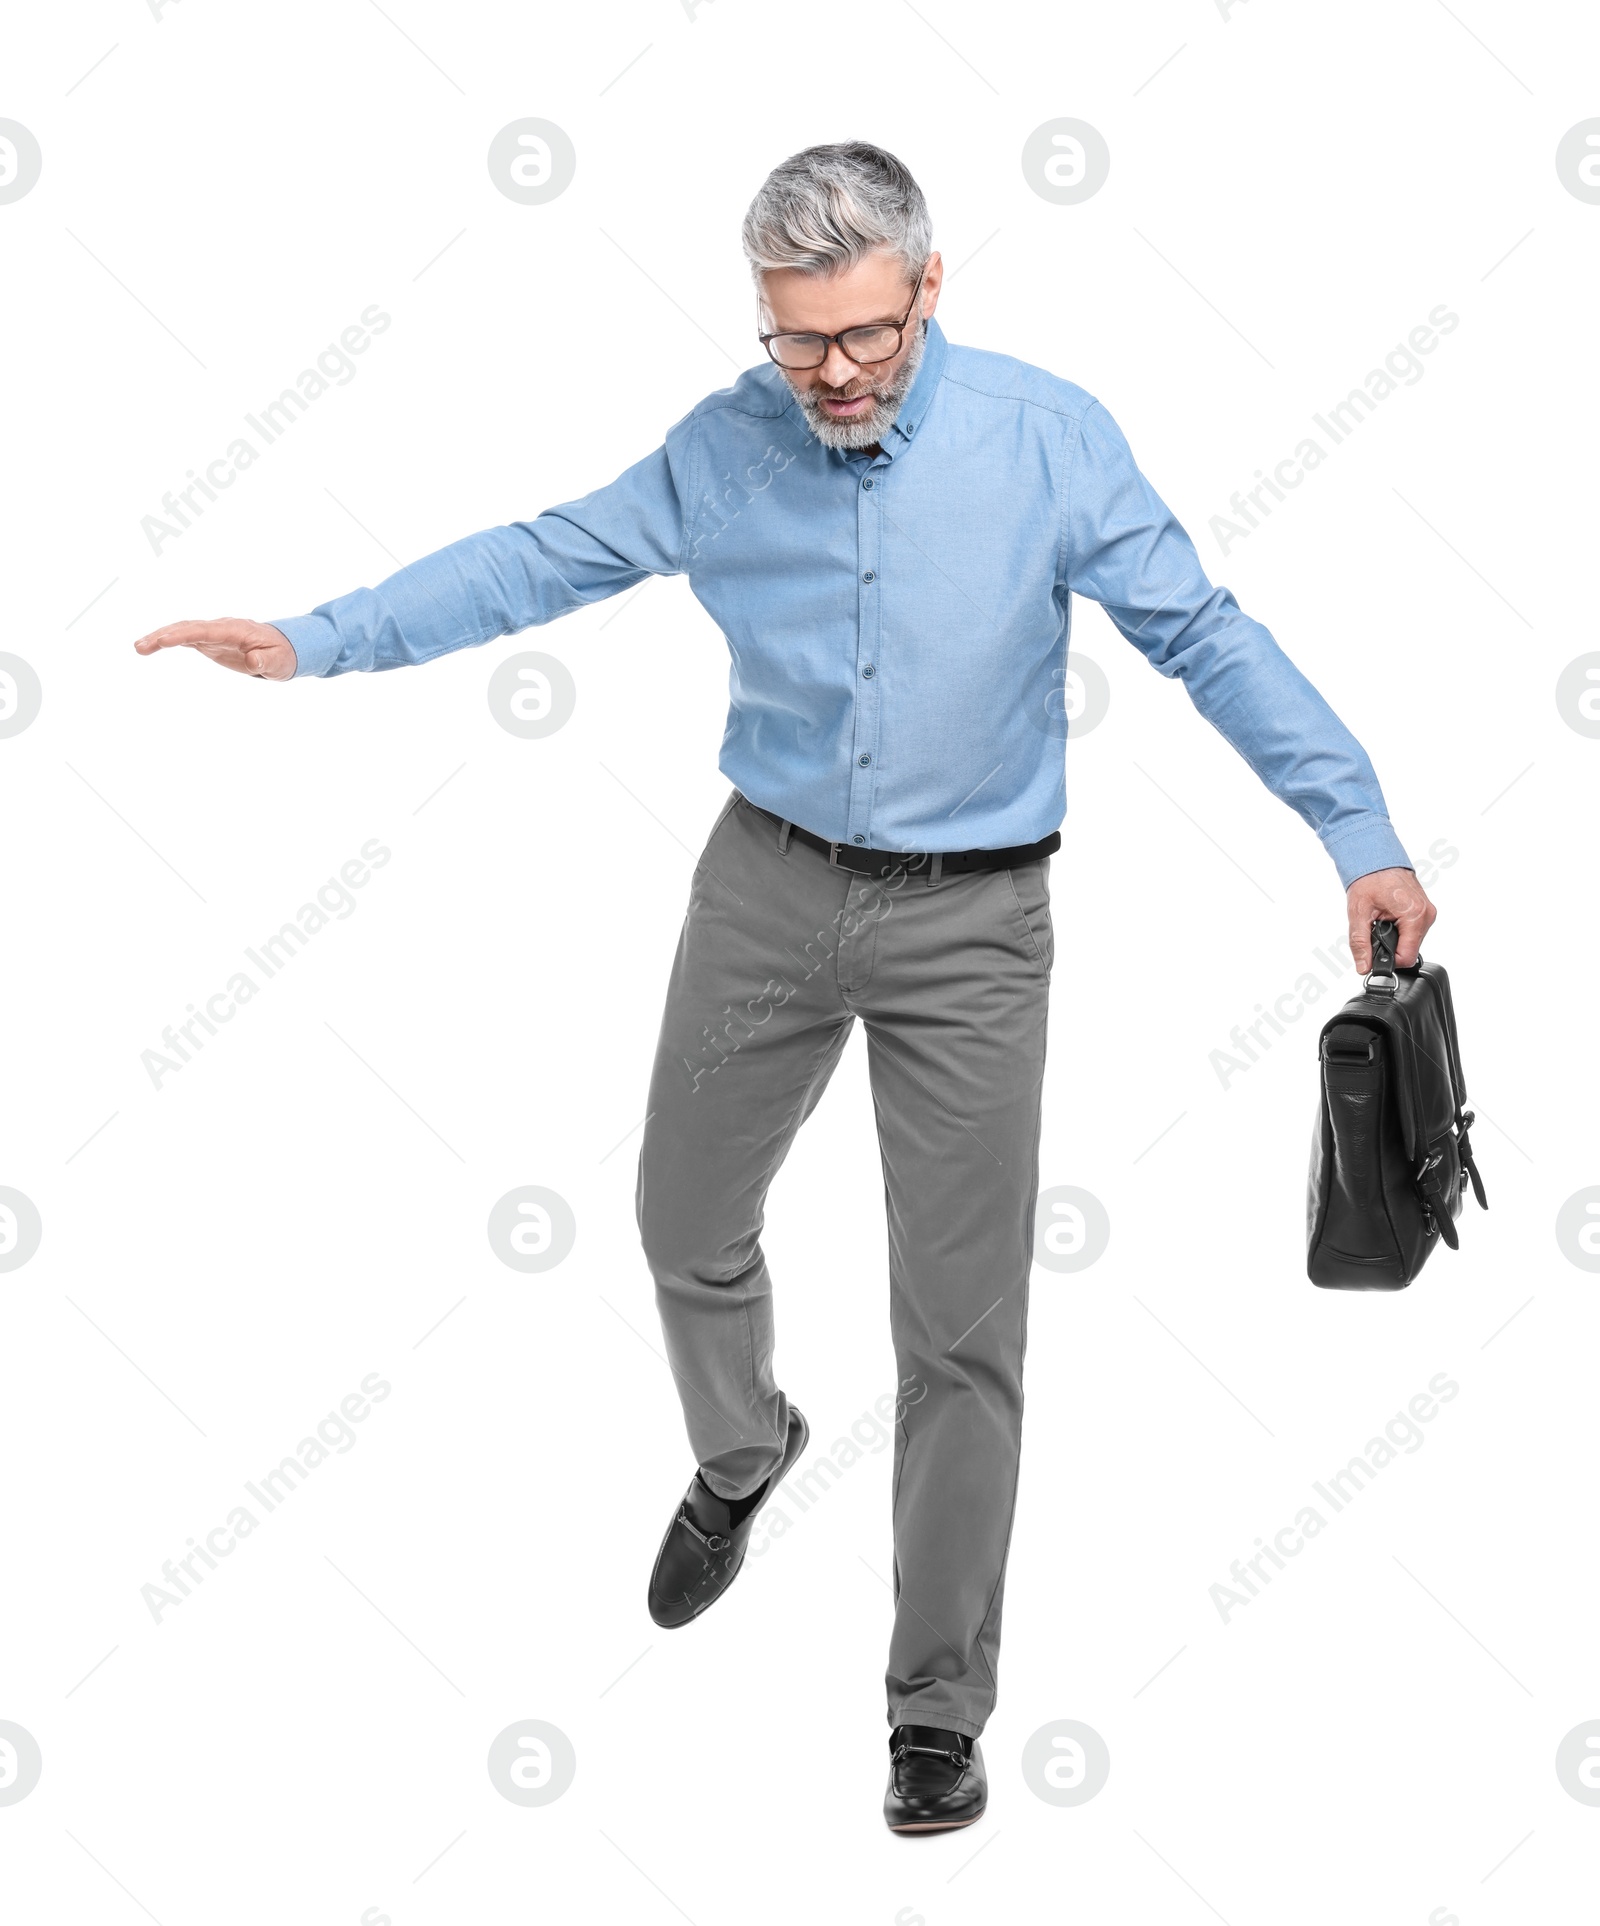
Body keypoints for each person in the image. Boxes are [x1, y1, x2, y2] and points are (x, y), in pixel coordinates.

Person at [135, 140, 1436, 1834]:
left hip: (974, 924)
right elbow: (543, 554)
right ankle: (747, 1448)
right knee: (681, 1219)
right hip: (766, 890)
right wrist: (318, 635)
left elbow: (1205, 630)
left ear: (931, 289)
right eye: (794, 338)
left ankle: (933, 1707)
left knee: (962, 1333)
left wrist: (1359, 831)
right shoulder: (726, 447)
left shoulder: (1048, 438)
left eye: (865, 338)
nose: (829, 376)